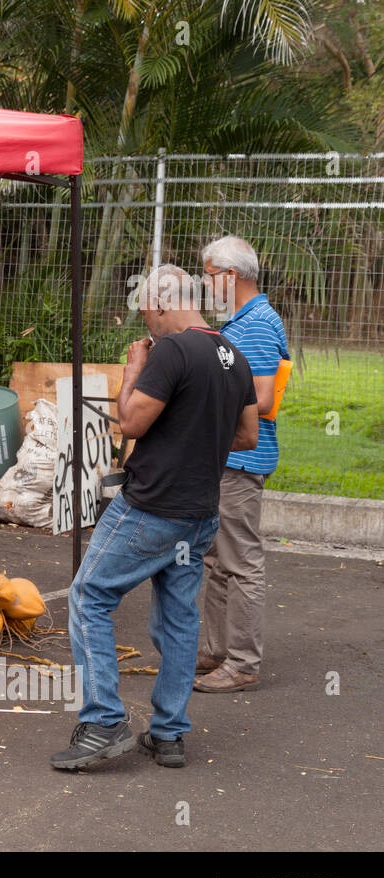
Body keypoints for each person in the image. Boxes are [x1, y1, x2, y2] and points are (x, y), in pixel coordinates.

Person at [50, 265, 258, 771]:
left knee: (89, 595)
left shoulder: (172, 349)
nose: (146, 319)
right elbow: (248, 436)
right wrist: (194, 437)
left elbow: (130, 422)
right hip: (199, 513)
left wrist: (132, 371)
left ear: (163, 302)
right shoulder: (234, 356)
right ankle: (168, 734)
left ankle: (102, 722)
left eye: (146, 309)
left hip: (151, 507)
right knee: (179, 617)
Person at [194, 236, 290, 694]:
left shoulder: (255, 325)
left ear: (230, 277)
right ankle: (217, 651)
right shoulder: (245, 321)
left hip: (241, 457)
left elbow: (265, 397)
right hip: (229, 456)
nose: (206, 286)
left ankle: (243, 662)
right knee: (218, 559)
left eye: (209, 277)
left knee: (241, 560)